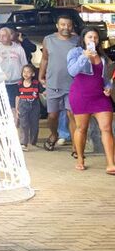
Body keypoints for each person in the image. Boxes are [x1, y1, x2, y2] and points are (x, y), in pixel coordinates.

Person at [65, 27, 115, 174]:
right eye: (89, 37)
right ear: (83, 39)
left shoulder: (103, 56)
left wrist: (108, 87)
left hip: (100, 96)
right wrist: (84, 56)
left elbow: (106, 78)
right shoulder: (75, 53)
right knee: (81, 128)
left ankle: (111, 163)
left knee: (106, 128)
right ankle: (80, 158)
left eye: (95, 38)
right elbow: (72, 71)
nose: (93, 40)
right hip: (81, 95)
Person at [39, 15, 80, 151]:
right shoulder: (48, 40)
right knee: (52, 116)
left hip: (72, 85)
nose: (66, 28)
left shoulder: (77, 40)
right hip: (53, 84)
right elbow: (45, 58)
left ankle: (76, 147)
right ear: (57, 25)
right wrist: (41, 76)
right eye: (63, 25)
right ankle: (53, 134)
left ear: (72, 26)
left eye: (68, 25)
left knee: (72, 114)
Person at [0, 27, 28, 120]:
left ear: (10, 36)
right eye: (0, 36)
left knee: (15, 106)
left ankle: (15, 124)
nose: (2, 38)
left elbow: (24, 64)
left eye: (4, 35)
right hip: (2, 82)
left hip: (16, 82)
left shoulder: (18, 48)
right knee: (4, 105)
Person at [15, 65, 42, 149]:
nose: (26, 74)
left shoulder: (36, 84)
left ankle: (33, 141)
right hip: (23, 105)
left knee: (34, 124)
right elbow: (17, 96)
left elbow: (43, 93)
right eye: (24, 72)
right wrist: (17, 108)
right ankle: (23, 142)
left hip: (34, 105)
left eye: (28, 72)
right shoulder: (19, 84)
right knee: (23, 124)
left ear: (33, 74)